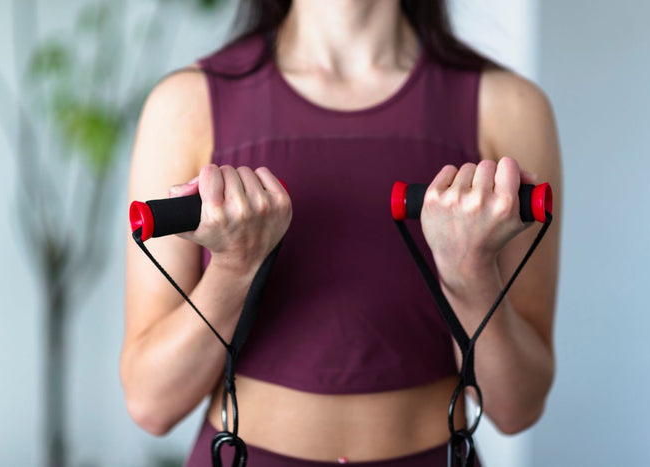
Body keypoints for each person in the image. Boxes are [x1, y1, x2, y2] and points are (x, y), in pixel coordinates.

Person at [121, 0, 561, 465]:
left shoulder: (510, 107)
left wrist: (469, 271)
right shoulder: (184, 104)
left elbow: (518, 407)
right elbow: (152, 405)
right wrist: (233, 270)